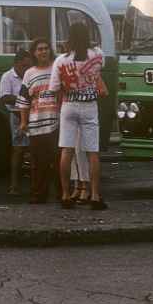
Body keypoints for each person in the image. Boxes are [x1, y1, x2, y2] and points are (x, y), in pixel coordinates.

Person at [48, 23, 108, 210]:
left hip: (69, 105)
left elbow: (54, 89)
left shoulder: (61, 61)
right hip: (90, 106)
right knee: (92, 153)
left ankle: (66, 194)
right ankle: (95, 196)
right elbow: (99, 74)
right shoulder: (97, 55)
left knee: (67, 151)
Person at [16, 39, 60, 203]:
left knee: (58, 162)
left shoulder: (58, 69)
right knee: (37, 164)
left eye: (46, 48)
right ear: (34, 53)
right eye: (39, 49)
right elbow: (23, 101)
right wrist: (23, 122)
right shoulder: (29, 73)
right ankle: (38, 195)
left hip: (56, 124)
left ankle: (62, 194)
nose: (43, 51)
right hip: (36, 125)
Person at [0, 49, 33, 195]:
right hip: (17, 115)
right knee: (18, 150)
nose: (26, 69)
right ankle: (14, 186)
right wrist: (25, 100)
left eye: (28, 66)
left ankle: (36, 185)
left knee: (35, 151)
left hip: (34, 115)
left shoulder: (31, 75)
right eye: (24, 66)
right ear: (16, 64)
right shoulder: (7, 76)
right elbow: (5, 98)